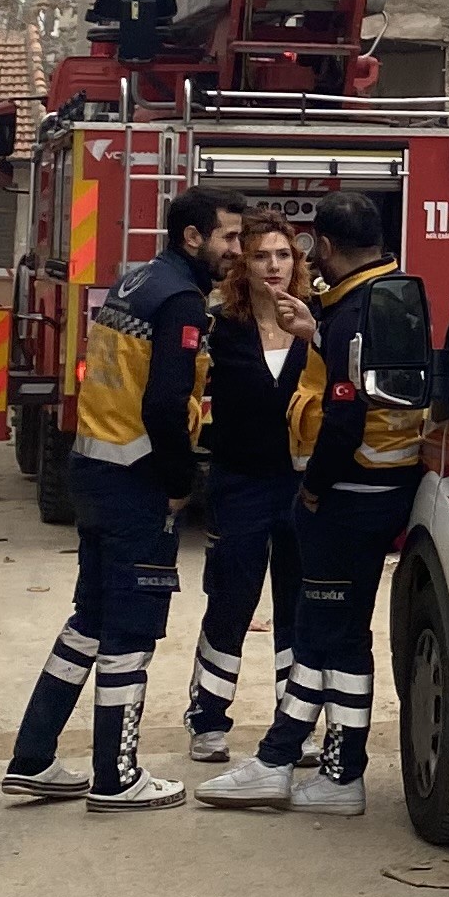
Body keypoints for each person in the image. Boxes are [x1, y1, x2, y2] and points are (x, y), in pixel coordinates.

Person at [198, 183, 432, 815]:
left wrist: (312, 488)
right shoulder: (396, 295)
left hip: (347, 495)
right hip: (390, 487)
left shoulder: (351, 310)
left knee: (326, 630)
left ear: (322, 247)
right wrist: (319, 333)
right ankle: (318, 766)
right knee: (336, 631)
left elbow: (345, 418)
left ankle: (297, 764)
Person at [3, 184, 234, 810]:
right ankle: (117, 776)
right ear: (194, 237)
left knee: (91, 620)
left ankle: (34, 757)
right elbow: (164, 403)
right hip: (137, 480)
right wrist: (181, 483)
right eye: (228, 238)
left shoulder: (135, 282)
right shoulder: (182, 300)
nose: (234, 251)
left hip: (94, 467)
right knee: (131, 630)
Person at [183, 210, 306, 772]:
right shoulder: (219, 325)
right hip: (238, 483)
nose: (274, 266)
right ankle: (208, 719)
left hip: (299, 485)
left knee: (297, 608)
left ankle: (294, 722)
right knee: (231, 600)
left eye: (283, 255)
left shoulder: (313, 323)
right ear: (244, 265)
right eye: (261, 255)